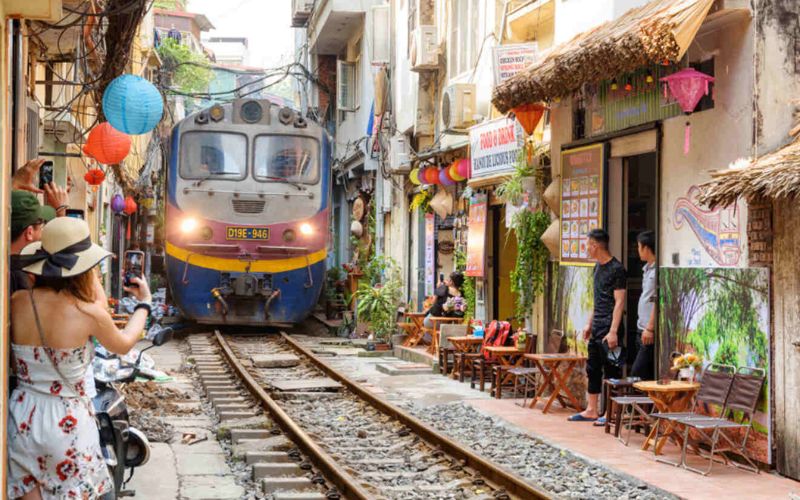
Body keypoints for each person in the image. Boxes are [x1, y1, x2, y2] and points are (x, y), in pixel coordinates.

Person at [8, 217, 152, 499]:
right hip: (68, 421)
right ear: (84, 268)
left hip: (23, 416)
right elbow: (123, 343)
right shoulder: (88, 314)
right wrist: (143, 304)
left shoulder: (17, 302)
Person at [569, 229, 627, 423]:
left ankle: (610, 413)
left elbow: (619, 302)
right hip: (597, 327)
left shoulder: (617, 269)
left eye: (587, 245)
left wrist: (613, 331)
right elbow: (597, 300)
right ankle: (592, 409)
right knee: (593, 368)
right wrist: (589, 323)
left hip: (611, 328)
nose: (586, 249)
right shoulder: (597, 268)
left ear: (595, 246)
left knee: (611, 370)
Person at [631, 231, 656, 380]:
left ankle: (636, 404)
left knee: (637, 372)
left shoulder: (657, 271)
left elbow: (656, 301)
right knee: (645, 375)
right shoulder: (646, 270)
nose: (638, 250)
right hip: (641, 328)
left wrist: (650, 328)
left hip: (648, 330)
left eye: (639, 247)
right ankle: (647, 404)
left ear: (646, 248)